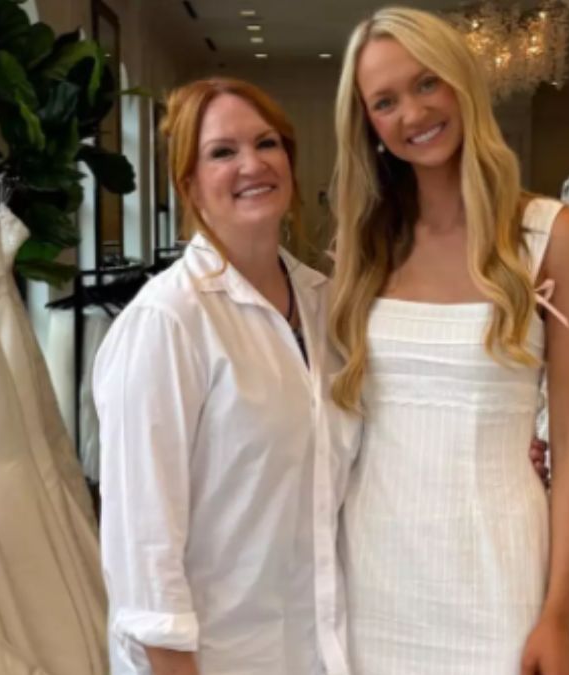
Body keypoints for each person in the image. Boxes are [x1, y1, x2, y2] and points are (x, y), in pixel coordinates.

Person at [329, 7, 569, 675]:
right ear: (368, 124)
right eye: (385, 101)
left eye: (427, 84)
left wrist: (559, 614)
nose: (412, 113)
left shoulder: (552, 237)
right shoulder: (361, 251)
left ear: (461, 83)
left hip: (498, 572)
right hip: (373, 576)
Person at [92, 77, 349, 675]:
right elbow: (143, 546)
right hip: (214, 658)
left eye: (267, 143)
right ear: (189, 184)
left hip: (315, 648)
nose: (252, 164)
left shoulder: (325, 304)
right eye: (222, 152)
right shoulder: (168, 321)